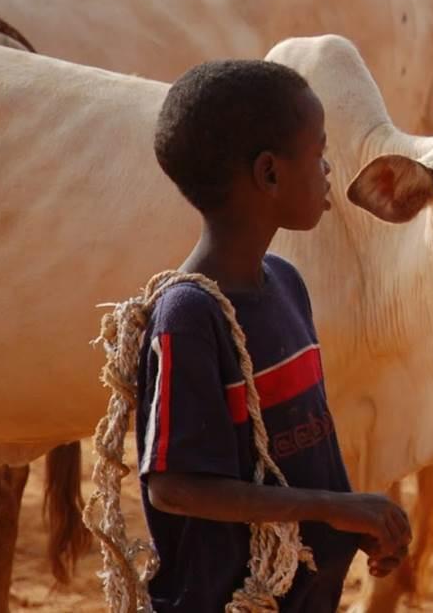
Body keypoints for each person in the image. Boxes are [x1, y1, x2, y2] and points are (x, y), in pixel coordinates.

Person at [136, 58, 410, 610]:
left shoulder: (286, 283)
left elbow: (308, 443)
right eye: (318, 152)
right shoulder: (188, 316)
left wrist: (350, 519)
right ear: (269, 174)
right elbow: (174, 486)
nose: (329, 169)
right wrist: (334, 509)